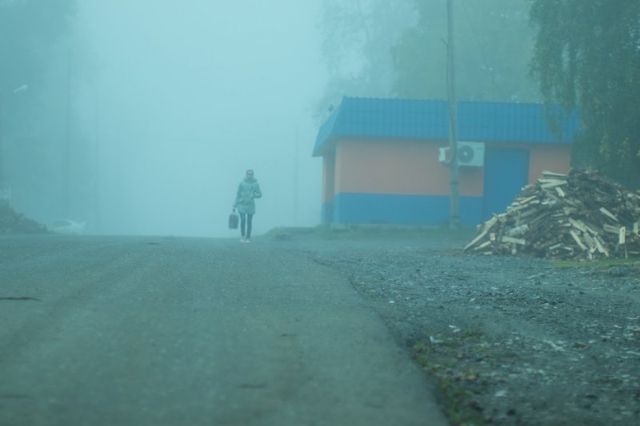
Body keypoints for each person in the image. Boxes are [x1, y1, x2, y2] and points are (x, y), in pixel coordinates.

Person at [233, 169, 262, 243]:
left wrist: (254, 195)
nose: (249, 175)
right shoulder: (242, 183)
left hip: (250, 205)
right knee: (243, 220)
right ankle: (243, 236)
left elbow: (260, 194)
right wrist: (234, 204)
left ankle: (248, 237)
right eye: (248, 174)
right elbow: (238, 194)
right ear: (246, 175)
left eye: (251, 174)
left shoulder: (255, 184)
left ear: (253, 175)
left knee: (249, 221)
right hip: (241, 204)